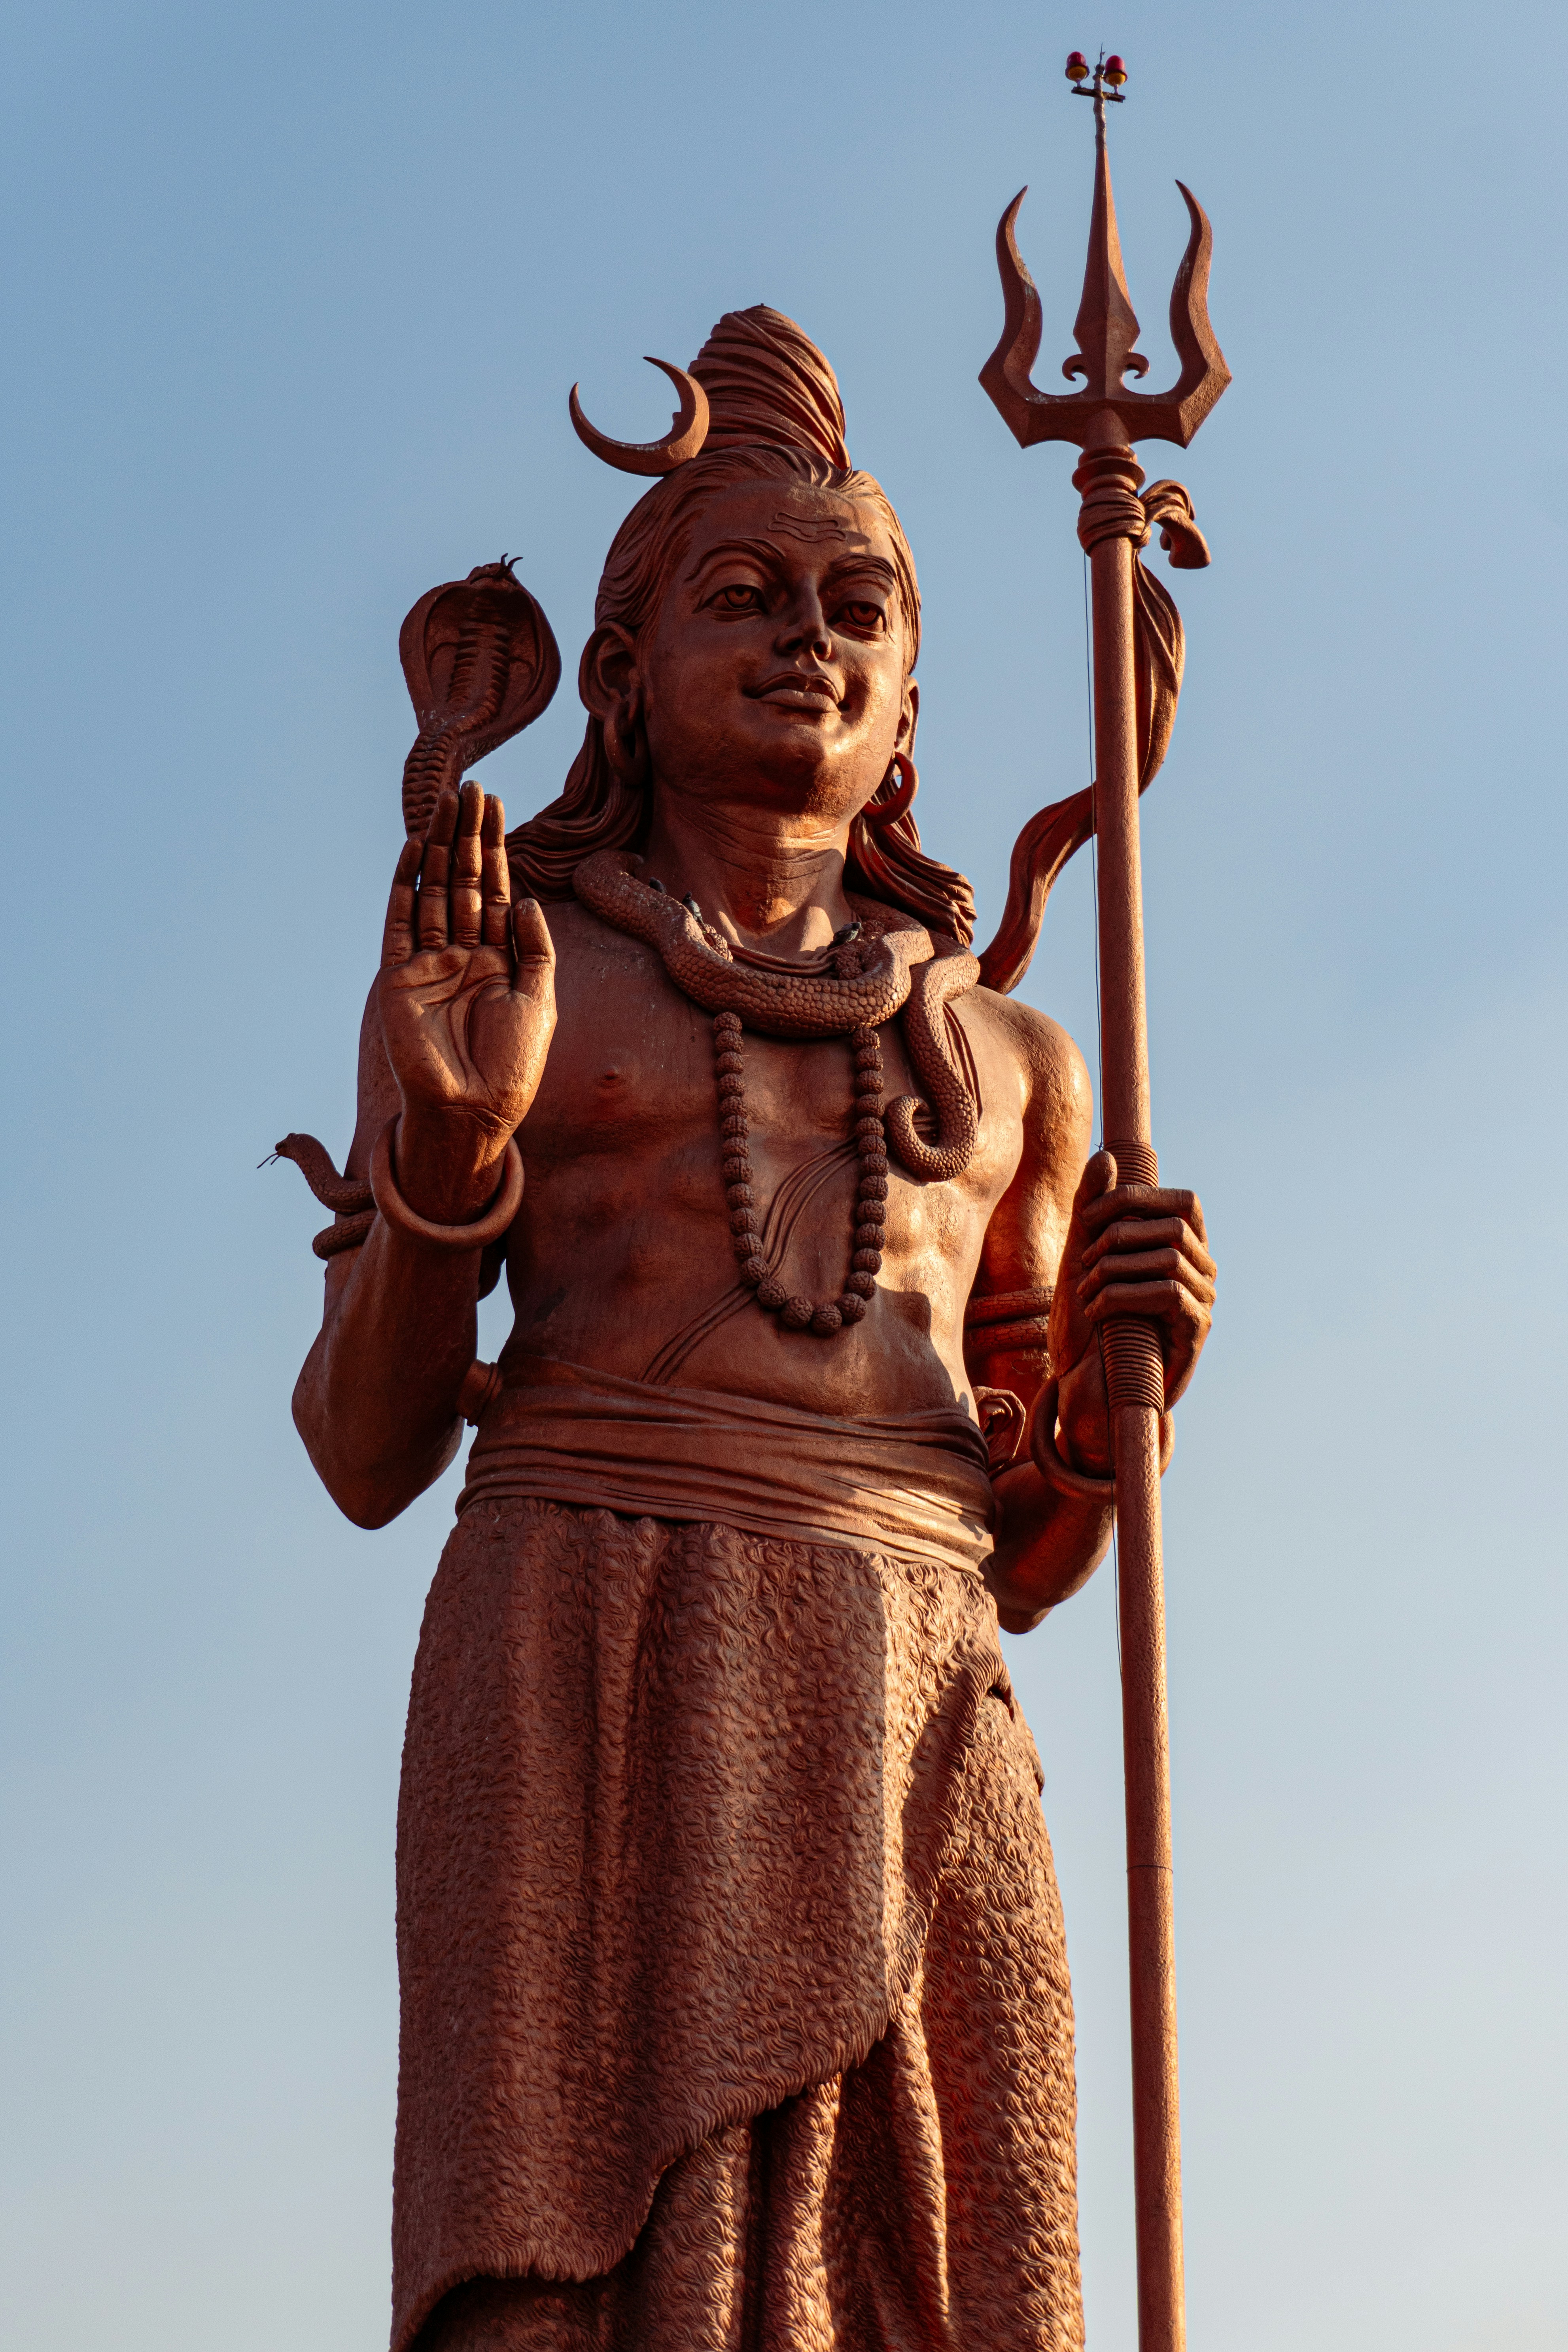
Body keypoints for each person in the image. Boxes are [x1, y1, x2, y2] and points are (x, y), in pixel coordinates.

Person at [290, 306, 1215, 2352]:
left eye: (859, 602)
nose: (812, 637)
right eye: (746, 594)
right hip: (590, 1656)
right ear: (625, 670)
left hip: (916, 1690)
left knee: (949, 2274)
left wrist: (1115, 1401)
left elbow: (1038, 1560)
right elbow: (365, 1450)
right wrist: (447, 1146)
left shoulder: (1019, 1063)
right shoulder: (505, 976)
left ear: (912, 696)